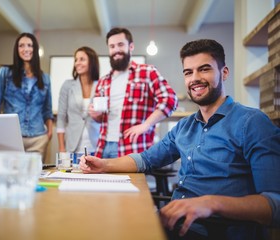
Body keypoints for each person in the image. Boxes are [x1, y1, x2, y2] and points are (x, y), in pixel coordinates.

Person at [80, 39, 280, 239]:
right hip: (173, 224)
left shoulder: (252, 122)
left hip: (216, 232)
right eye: (188, 72)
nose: (195, 78)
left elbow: (274, 204)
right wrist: (104, 164)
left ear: (224, 72)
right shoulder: (185, 126)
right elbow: (146, 159)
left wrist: (210, 203)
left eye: (204, 69)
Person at [88, 27, 178, 158]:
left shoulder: (147, 72)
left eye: (120, 45)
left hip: (133, 148)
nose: (116, 50)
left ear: (131, 46)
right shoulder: (103, 81)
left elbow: (170, 99)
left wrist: (146, 125)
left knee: (134, 180)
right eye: (112, 46)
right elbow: (100, 119)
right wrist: (95, 115)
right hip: (103, 147)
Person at [0, 33, 53, 161]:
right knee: (11, 176)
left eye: (30, 45)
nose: (26, 49)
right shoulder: (5, 73)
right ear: (16, 49)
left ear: (34, 49)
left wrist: (49, 133)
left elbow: (47, 110)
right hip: (11, 137)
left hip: (38, 138)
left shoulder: (45, 78)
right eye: (21, 46)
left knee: (34, 178)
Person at [56, 46, 100, 154]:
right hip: (73, 148)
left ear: (92, 62)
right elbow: (61, 118)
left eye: (82, 59)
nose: (77, 63)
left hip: (96, 146)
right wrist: (62, 149)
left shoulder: (101, 85)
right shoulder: (68, 86)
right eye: (76, 60)